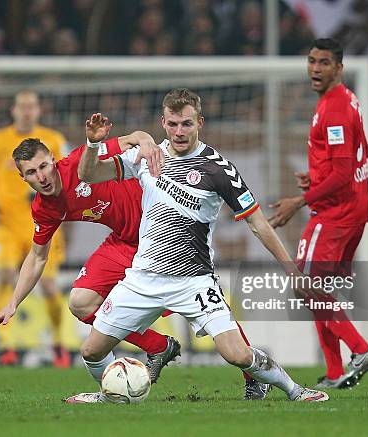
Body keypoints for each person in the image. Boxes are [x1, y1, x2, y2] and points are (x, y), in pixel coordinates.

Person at [65, 88, 329, 403]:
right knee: (91, 350)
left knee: (238, 355)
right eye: (174, 123)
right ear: (163, 122)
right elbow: (89, 174)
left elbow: (257, 223)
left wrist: (292, 269)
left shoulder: (218, 169)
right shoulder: (146, 156)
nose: (179, 131)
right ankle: (111, 396)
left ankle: (295, 390)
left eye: (187, 124)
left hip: (194, 281)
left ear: (200, 122)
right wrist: (94, 144)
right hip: (142, 278)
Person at [0, 132, 271, 400]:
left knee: (209, 306)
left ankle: (254, 376)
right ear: (22, 178)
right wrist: (13, 302)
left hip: (161, 237)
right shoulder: (44, 208)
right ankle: (157, 347)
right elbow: (37, 257)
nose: (42, 176)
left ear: (54, 160)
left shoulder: (81, 162)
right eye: (31, 172)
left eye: (44, 166)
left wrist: (146, 143)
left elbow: (135, 138)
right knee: (80, 302)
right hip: (122, 243)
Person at [268, 38, 368, 389]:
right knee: (320, 289)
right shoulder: (343, 99)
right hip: (353, 209)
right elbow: (351, 158)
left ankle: (361, 349)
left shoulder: (334, 108)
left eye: (324, 63)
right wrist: (315, 178)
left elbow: (343, 171)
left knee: (306, 286)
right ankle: (335, 371)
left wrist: (297, 202)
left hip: (335, 213)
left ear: (339, 68)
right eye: (312, 61)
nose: (315, 69)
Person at [0, 90, 68, 367]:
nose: (26, 111)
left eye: (32, 106)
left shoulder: (53, 140)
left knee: (49, 286)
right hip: (6, 224)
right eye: (22, 106)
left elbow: (68, 172)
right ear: (13, 110)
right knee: (4, 274)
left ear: (38, 110)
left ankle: (58, 342)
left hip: (43, 223)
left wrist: (47, 194)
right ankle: (7, 345)